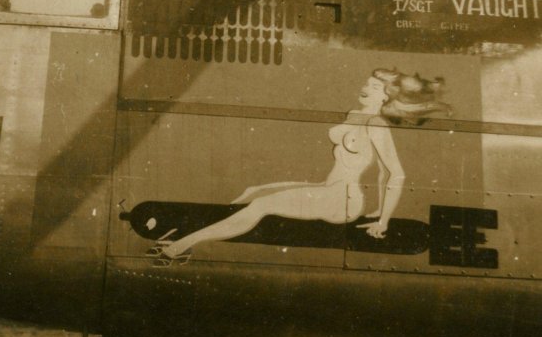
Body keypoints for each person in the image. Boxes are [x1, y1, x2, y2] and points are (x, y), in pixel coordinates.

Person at [151, 68, 451, 266]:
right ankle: (217, 228)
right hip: (328, 189)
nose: (365, 88)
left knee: (261, 205)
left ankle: (179, 248)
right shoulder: (354, 115)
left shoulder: (376, 125)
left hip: (342, 201)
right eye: (367, 83)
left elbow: (394, 173)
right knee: (252, 191)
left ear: (387, 96)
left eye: (373, 87)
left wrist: (383, 220)